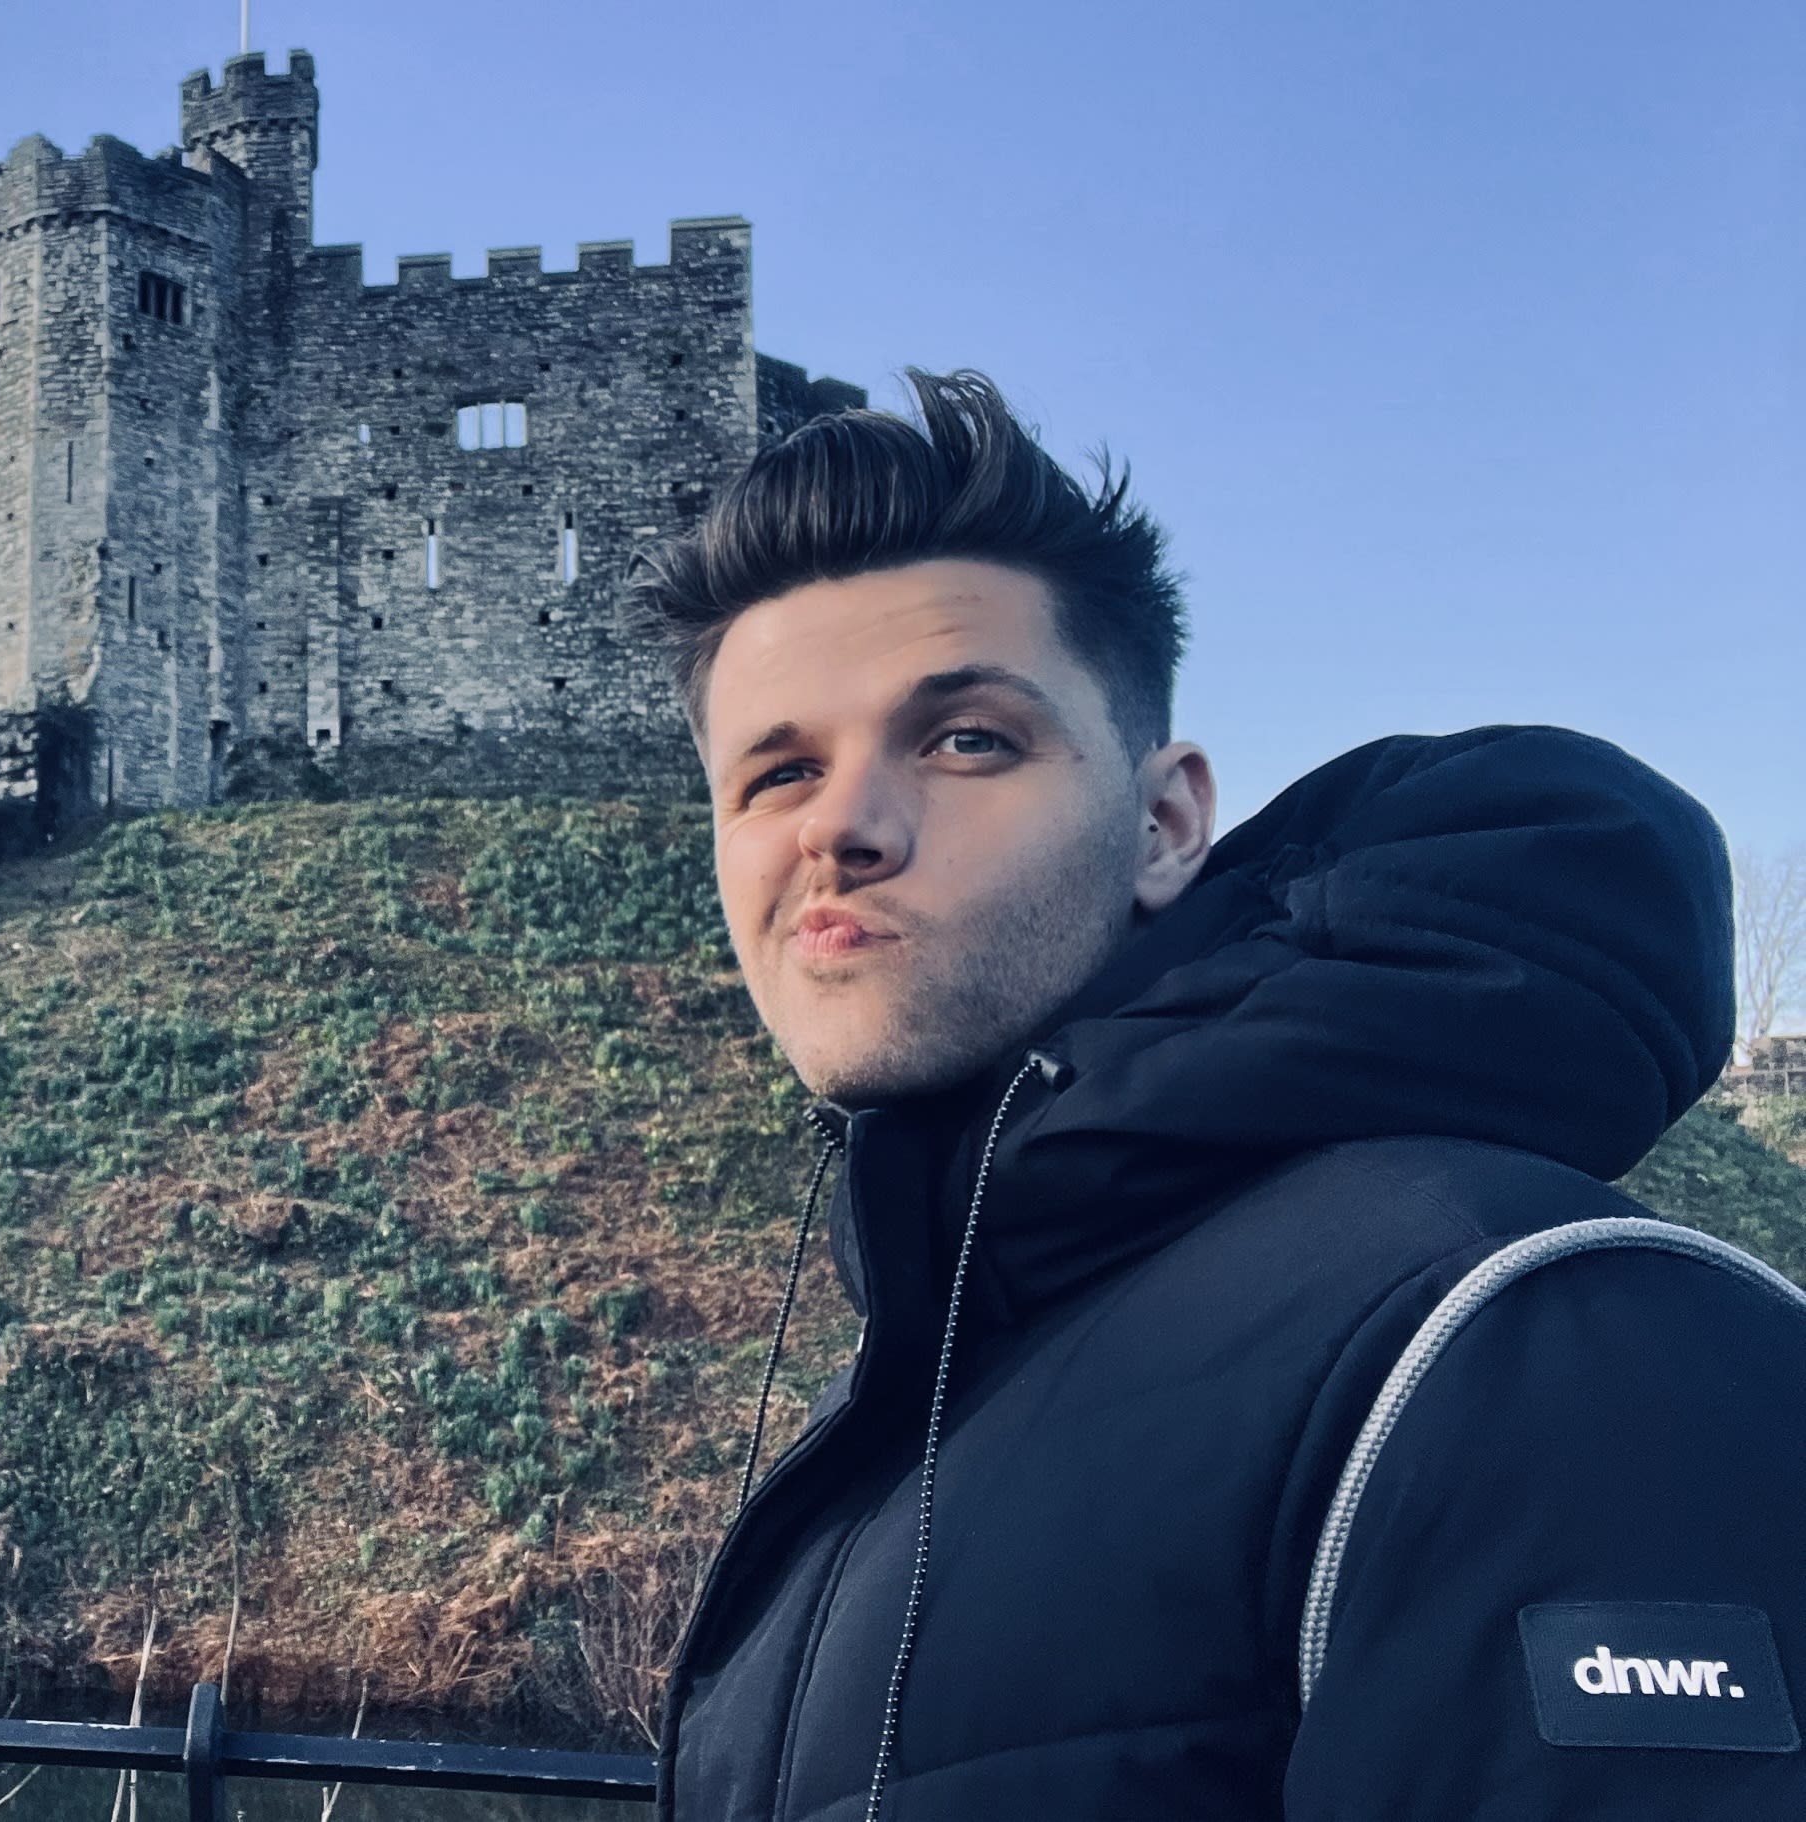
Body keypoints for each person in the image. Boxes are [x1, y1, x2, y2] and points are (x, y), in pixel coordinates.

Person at [632, 370, 1804, 1820]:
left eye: (966, 739)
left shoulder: (1523, 1333)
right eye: (776, 772)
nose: (844, 828)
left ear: (1168, 819)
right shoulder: (901, 1397)